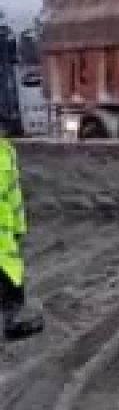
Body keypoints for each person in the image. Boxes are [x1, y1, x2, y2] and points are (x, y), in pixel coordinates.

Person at [0, 126, 43, 341]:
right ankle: (11, 323)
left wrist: (19, 227)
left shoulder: (6, 151)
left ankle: (12, 321)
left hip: (5, 233)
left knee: (12, 277)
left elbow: (13, 194)